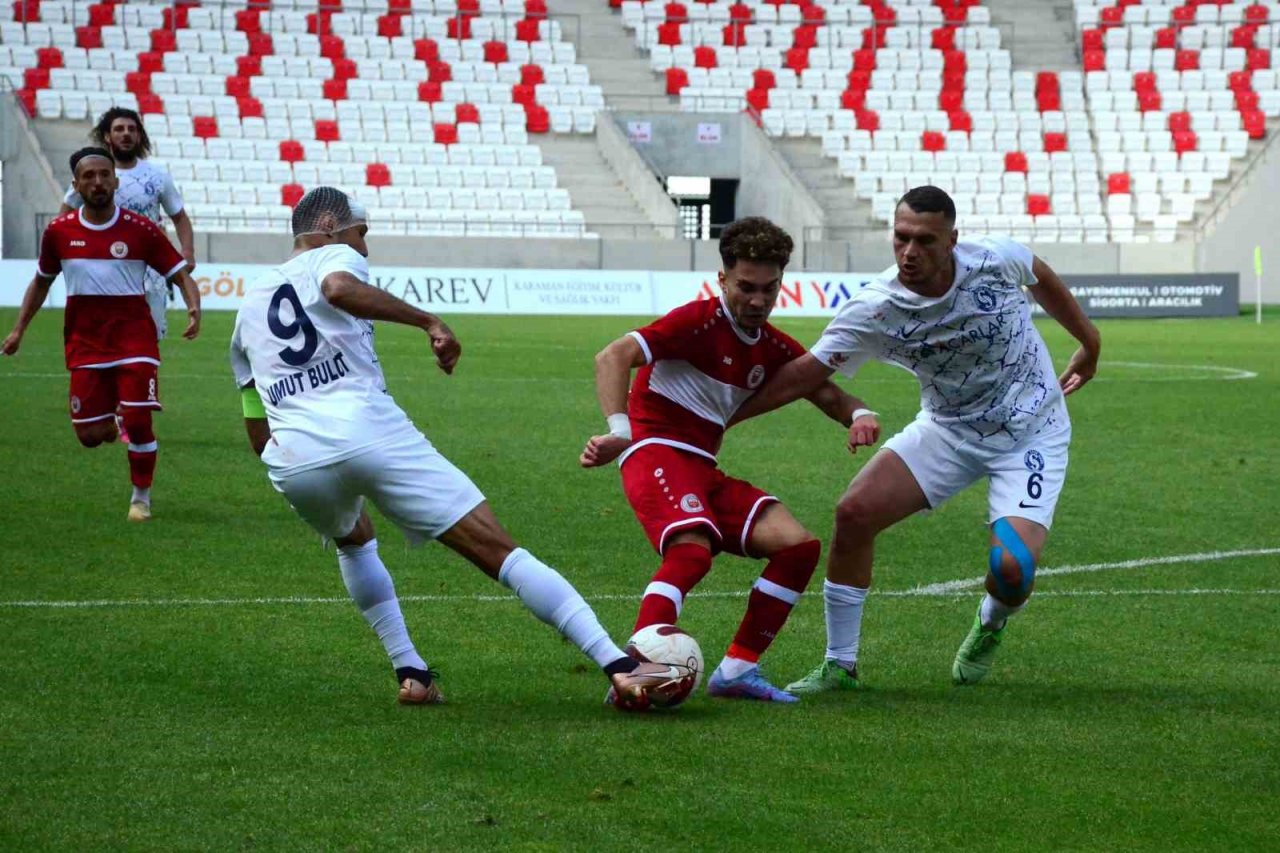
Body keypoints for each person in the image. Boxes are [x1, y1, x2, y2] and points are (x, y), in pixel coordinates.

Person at [228, 187, 673, 709]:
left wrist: (300, 467)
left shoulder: (248, 304)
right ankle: (620, 666)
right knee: (497, 551)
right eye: (362, 235)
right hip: (368, 429)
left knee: (354, 539)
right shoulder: (334, 255)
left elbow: (255, 423)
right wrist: (430, 322)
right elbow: (338, 288)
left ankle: (412, 673)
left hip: (295, 459)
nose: (365, 249)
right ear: (331, 226)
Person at [732, 186, 1101, 691]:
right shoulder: (877, 307)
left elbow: (1041, 278)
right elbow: (804, 374)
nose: (909, 252)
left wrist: (1089, 342)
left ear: (953, 239)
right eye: (901, 238)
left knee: (1011, 570)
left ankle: (990, 621)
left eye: (925, 241)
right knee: (853, 514)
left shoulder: (995, 259)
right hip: (948, 431)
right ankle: (840, 665)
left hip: (1031, 432)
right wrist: (721, 418)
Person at [580, 217, 881, 704]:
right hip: (654, 449)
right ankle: (634, 673)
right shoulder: (695, 322)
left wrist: (859, 414)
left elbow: (824, 390)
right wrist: (619, 430)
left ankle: (738, 669)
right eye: (746, 287)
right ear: (722, 280)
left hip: (701, 466)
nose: (758, 300)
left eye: (769, 288)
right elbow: (610, 356)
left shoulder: (772, 345)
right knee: (693, 550)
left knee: (796, 546)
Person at [2, 147, 202, 522]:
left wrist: (194, 306)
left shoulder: (142, 230)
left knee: (140, 421)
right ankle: (112, 420)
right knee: (90, 436)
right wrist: (18, 330)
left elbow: (178, 272)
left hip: (134, 337)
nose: (97, 182)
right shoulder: (59, 233)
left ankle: (140, 498)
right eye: (88, 176)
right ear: (75, 185)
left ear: (115, 180)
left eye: (104, 175)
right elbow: (42, 282)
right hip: (85, 340)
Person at [60, 107, 196, 341]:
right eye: (119, 129)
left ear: (139, 135)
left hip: (149, 271)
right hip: (103, 268)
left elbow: (180, 217)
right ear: (107, 136)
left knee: (149, 339)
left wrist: (188, 252)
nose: (126, 134)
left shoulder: (157, 176)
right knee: (102, 339)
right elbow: (66, 212)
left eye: (132, 129)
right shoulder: (96, 173)